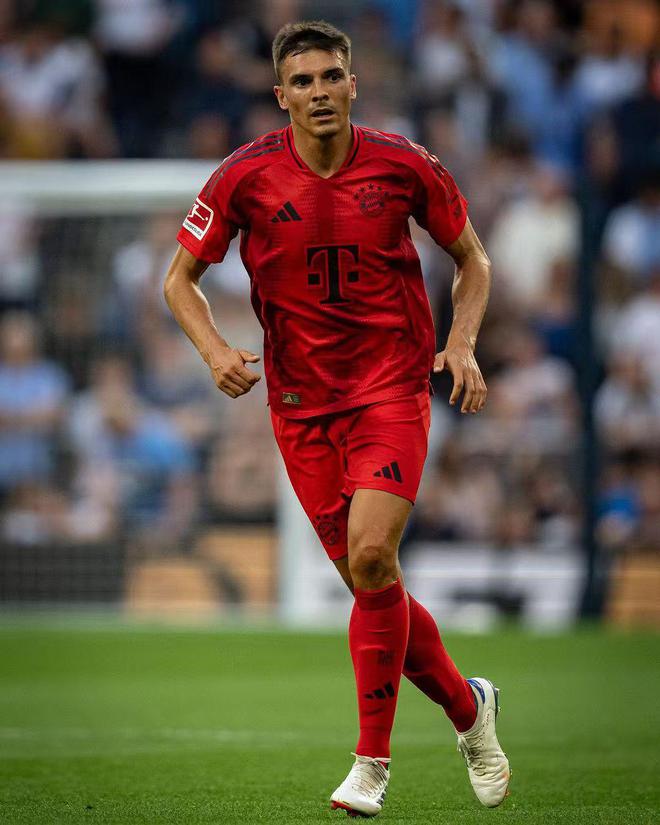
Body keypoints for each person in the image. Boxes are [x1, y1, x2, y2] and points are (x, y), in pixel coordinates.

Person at [164, 20, 510, 818]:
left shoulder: (405, 164)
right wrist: (214, 350)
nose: (318, 92)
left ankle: (371, 763)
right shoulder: (242, 177)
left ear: (353, 85)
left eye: (331, 77)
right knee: (372, 582)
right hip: (300, 405)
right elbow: (180, 279)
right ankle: (471, 709)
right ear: (280, 95)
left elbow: (474, 259)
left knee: (373, 554)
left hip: (391, 389)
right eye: (303, 81)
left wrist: (462, 342)